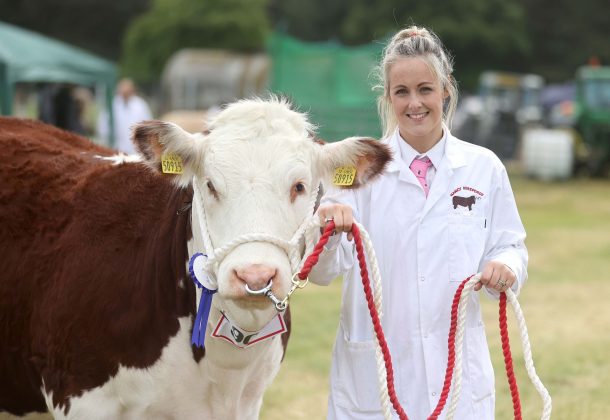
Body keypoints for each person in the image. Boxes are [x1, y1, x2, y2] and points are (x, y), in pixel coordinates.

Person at [309, 25, 528, 419]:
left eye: (425, 89)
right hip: (375, 381)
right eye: (402, 92)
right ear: (388, 97)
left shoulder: (484, 168)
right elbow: (324, 272)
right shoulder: (354, 169)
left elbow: (509, 245)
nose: (415, 103)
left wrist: (506, 267)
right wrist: (325, 229)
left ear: (446, 89)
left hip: (458, 379)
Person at [97, 78, 152, 154]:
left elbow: (148, 127)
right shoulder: (112, 104)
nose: (124, 92)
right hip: (115, 149)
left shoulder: (140, 105)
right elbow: (103, 126)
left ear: (132, 90)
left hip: (136, 151)